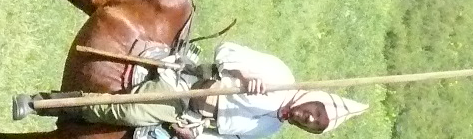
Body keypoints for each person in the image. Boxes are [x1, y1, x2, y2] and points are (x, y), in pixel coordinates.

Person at [74, 39, 367, 138]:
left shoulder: (268, 131)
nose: (310, 119)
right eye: (317, 112)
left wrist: (192, 135)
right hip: (185, 89)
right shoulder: (280, 75)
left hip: (189, 120)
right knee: (132, 112)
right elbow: (226, 50)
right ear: (315, 98)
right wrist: (243, 75)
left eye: (315, 125)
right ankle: (61, 104)